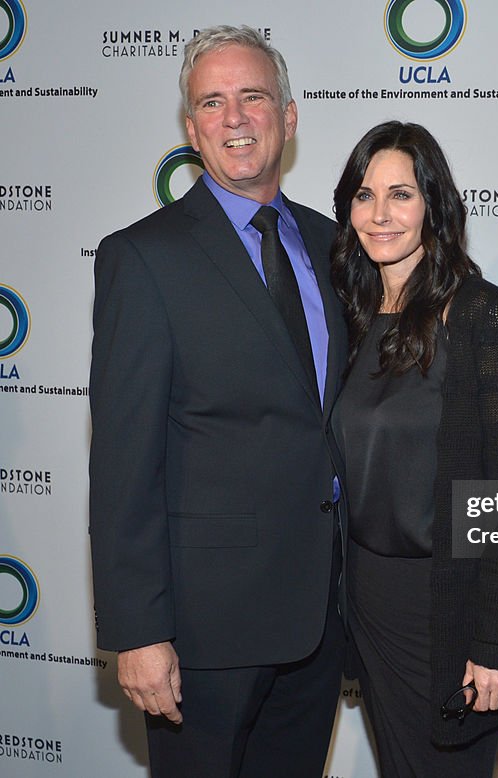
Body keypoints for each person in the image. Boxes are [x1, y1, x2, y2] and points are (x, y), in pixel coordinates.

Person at [88, 26, 347, 777]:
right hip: (201, 636)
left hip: (319, 620)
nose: (235, 118)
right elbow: (123, 462)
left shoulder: (339, 248)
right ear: (192, 127)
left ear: (289, 116)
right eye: (212, 102)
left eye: (253, 97)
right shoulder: (143, 257)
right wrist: (138, 631)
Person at [331, 121, 498, 777]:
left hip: (442, 611)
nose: (381, 214)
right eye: (365, 195)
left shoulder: (482, 315)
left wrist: (497, 641)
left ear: (435, 206)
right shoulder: (352, 316)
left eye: (402, 194)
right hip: (366, 605)